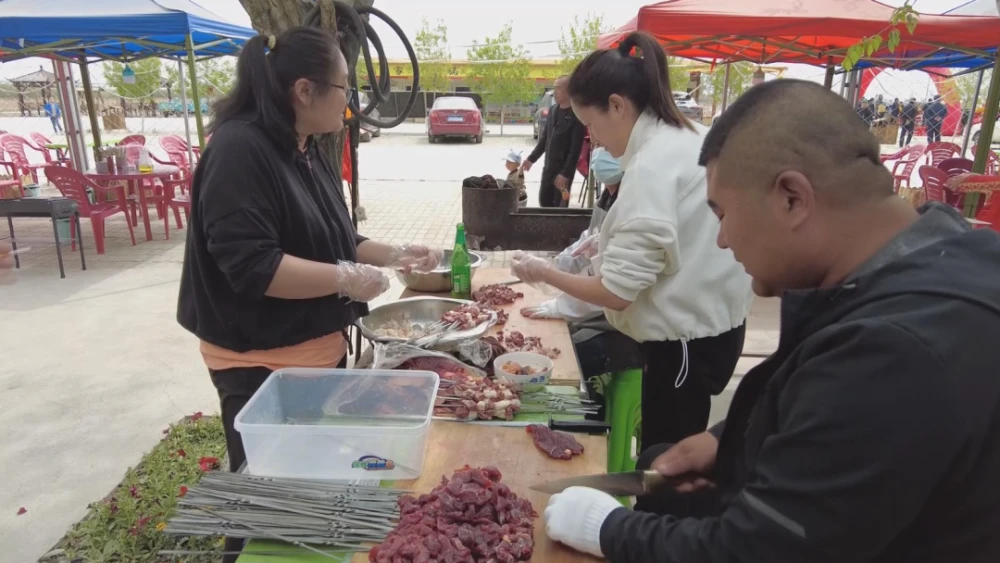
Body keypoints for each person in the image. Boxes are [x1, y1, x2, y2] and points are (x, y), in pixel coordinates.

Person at [542, 79, 1000, 563]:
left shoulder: (892, 350)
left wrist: (608, 528)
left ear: (791, 199)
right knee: (661, 461)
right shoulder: (944, 255)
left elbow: (759, 551)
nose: (721, 240)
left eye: (722, 213)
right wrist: (735, 438)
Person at [176, 28, 442, 562]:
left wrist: (394, 254)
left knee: (311, 485)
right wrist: (344, 278)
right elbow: (254, 267)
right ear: (305, 90)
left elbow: (337, 239)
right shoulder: (240, 149)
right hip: (260, 361)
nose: (351, 104)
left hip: (313, 352)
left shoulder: (306, 146)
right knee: (268, 503)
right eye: (345, 89)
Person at [512, 32, 753, 449]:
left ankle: (662, 515)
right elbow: (670, 240)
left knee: (668, 463)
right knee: (678, 452)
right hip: (716, 329)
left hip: (683, 342)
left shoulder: (652, 163)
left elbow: (617, 292)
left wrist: (546, 273)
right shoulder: (689, 135)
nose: (596, 140)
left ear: (618, 105)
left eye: (592, 125)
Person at [520, 147, 636, 379]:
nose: (600, 150)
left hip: (622, 326)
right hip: (596, 309)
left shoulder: (634, 201)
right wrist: (562, 263)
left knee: (566, 354)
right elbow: (591, 236)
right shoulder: (610, 195)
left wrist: (561, 303)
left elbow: (614, 291)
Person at [523, 75, 586, 207]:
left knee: (560, 207)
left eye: (558, 88)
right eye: (554, 88)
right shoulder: (552, 111)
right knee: (544, 201)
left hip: (563, 173)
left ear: (569, 90)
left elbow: (575, 150)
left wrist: (565, 173)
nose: (554, 92)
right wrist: (531, 159)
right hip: (548, 168)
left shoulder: (577, 116)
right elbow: (544, 140)